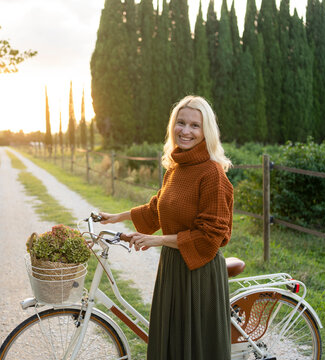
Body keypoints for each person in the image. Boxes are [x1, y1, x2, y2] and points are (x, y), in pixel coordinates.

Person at [100, 95, 233, 359]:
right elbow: (157, 209)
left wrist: (157, 241)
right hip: (173, 266)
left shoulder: (212, 173)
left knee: (194, 350)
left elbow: (211, 236)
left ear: (206, 130)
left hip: (199, 272)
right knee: (172, 345)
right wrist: (115, 217)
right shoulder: (175, 168)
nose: (185, 131)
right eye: (180, 123)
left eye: (195, 125)